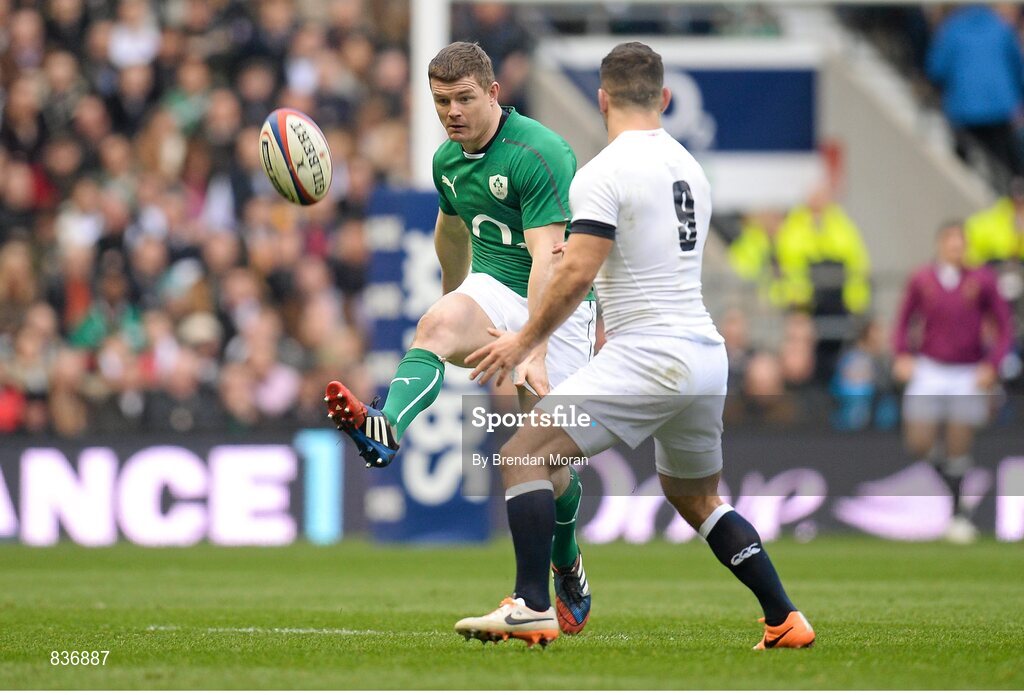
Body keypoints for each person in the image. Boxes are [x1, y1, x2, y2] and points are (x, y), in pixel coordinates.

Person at [461, 42, 814, 650]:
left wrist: (526, 339)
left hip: (650, 357)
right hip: (704, 356)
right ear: (665, 98)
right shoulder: (691, 170)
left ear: (602, 100)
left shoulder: (603, 173)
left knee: (522, 453)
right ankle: (784, 618)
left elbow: (577, 274)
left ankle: (531, 606)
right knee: (695, 496)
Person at [323, 42, 596, 633]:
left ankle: (566, 558)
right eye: (441, 100)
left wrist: (534, 344)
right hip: (496, 284)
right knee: (434, 325)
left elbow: (548, 258)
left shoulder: (539, 152)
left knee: (548, 466)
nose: (452, 112)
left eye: (464, 99)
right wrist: (451, 301)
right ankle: (386, 427)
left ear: (493, 93)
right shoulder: (447, 159)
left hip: (558, 309)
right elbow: (450, 233)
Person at [892, 221, 1013, 543]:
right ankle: (958, 499)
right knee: (919, 442)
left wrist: (993, 363)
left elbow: (1004, 326)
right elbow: (903, 320)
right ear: (940, 244)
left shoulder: (982, 281)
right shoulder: (922, 279)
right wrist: (902, 353)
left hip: (966, 371)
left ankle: (958, 516)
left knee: (959, 444)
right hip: (929, 367)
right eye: (951, 242)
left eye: (961, 243)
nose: (956, 248)